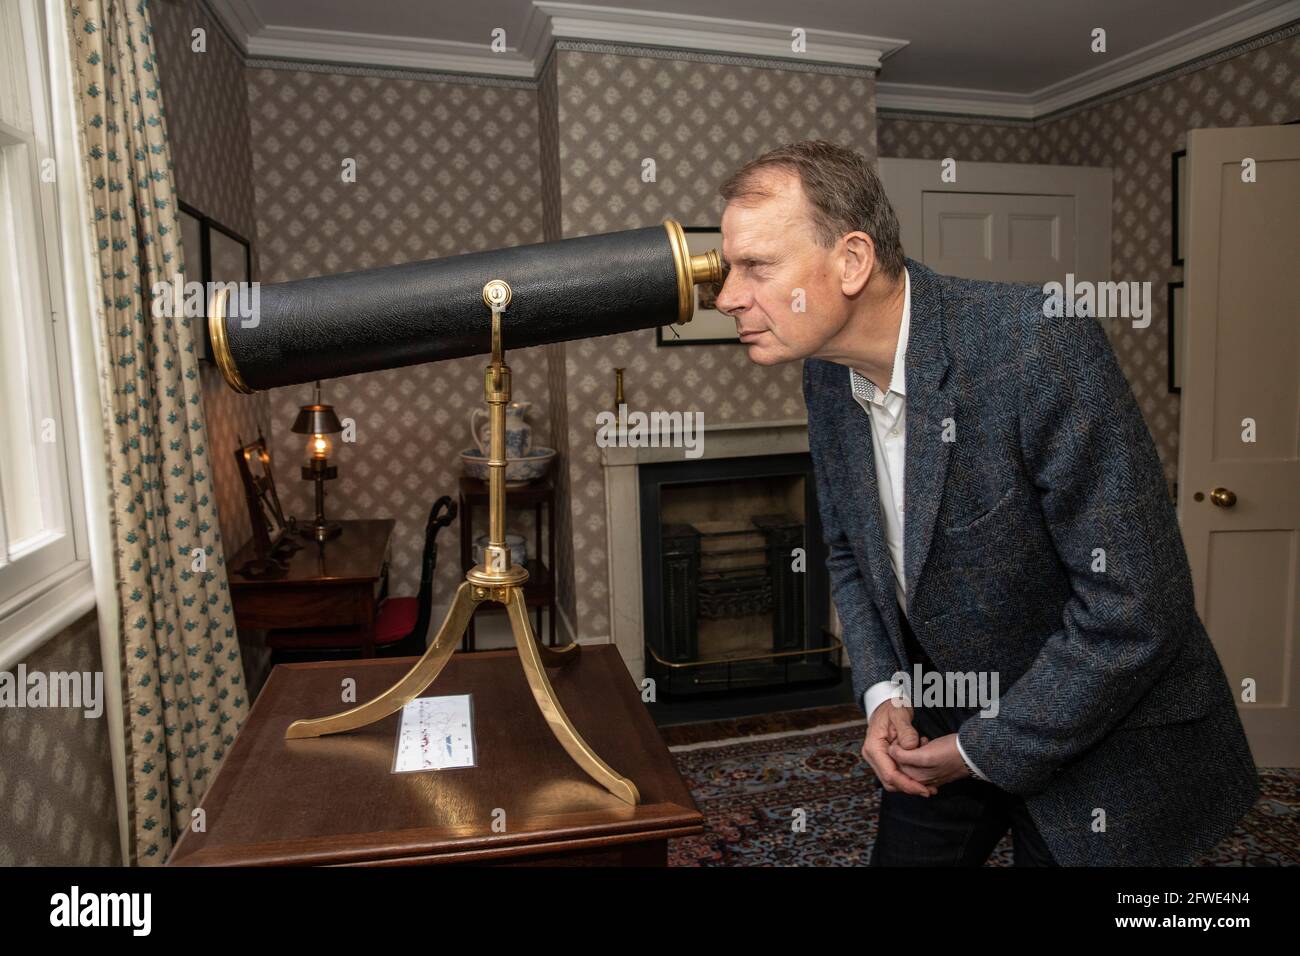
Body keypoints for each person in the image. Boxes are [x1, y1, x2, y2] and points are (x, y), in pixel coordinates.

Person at [712, 139, 1259, 866]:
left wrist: (980, 747)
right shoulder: (824, 375)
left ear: (850, 261)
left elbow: (1137, 609)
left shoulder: (1037, 344)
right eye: (727, 268)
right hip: (941, 709)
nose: (725, 297)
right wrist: (882, 693)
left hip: (1103, 733)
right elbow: (848, 549)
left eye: (756, 267)